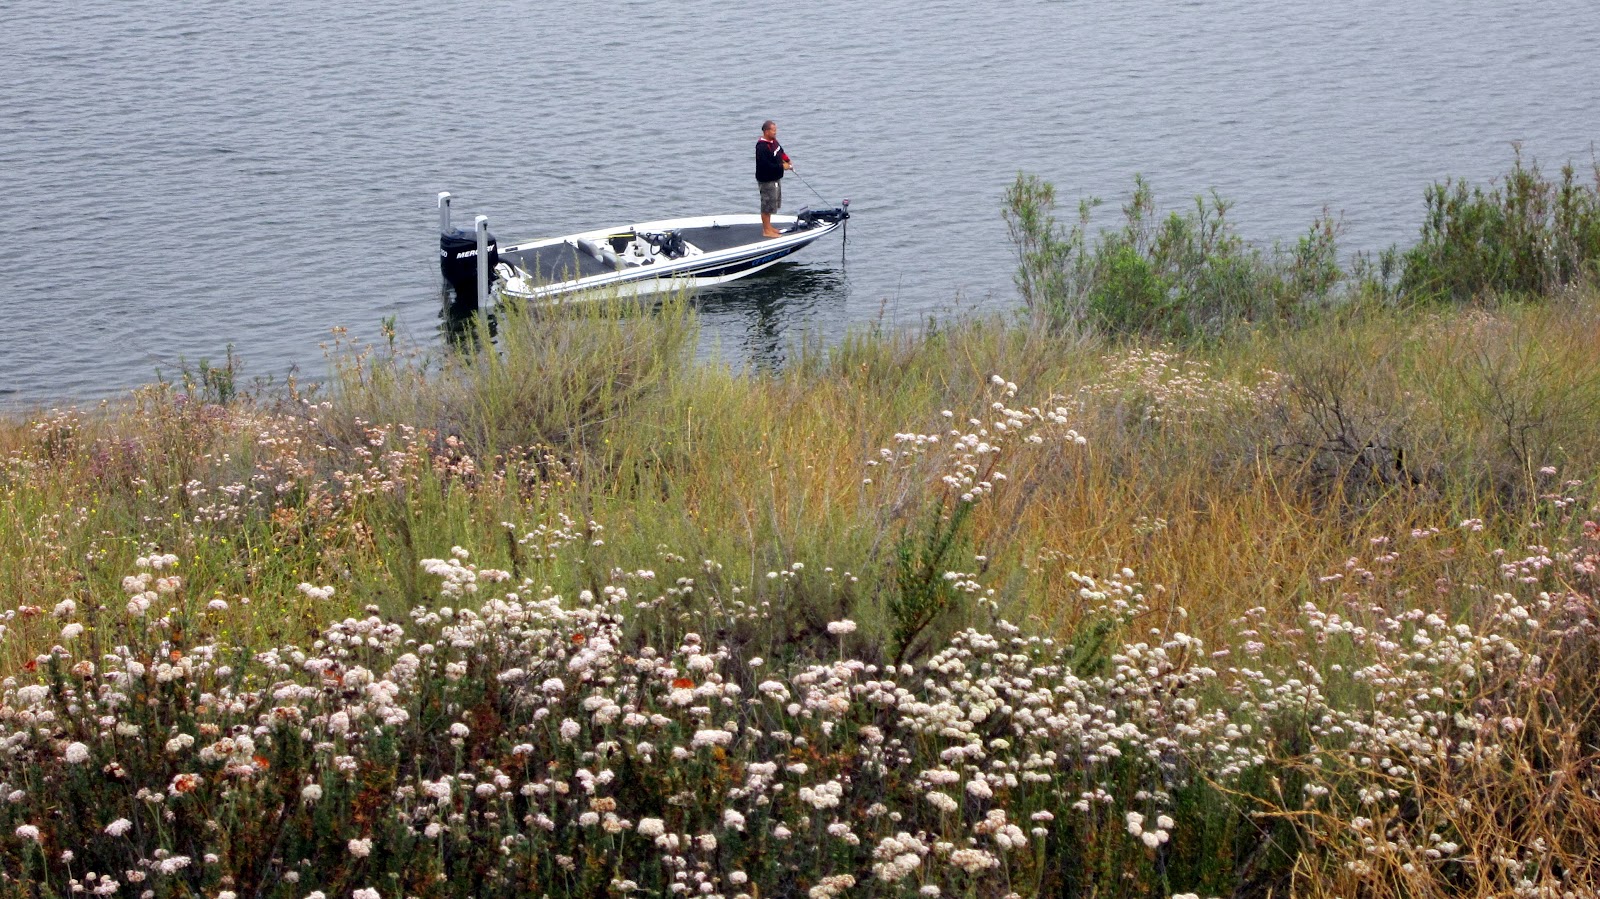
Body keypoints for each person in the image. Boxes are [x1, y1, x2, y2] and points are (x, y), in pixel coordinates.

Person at [755, 119, 792, 238]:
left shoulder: (774, 142)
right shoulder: (761, 147)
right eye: (773, 130)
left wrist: (787, 160)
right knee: (766, 205)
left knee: (773, 203)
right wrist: (782, 167)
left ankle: (769, 226)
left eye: (775, 130)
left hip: (775, 178)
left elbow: (780, 152)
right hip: (766, 180)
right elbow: (766, 165)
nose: (775, 132)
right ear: (766, 131)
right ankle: (766, 230)